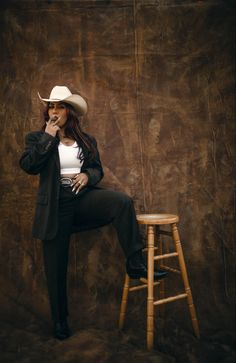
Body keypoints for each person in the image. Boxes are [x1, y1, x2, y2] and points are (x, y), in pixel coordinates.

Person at [19, 85, 167, 340]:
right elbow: (29, 166)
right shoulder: (37, 138)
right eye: (51, 106)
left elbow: (97, 169)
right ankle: (60, 322)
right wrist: (48, 136)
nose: (54, 111)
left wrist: (88, 175)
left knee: (121, 202)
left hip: (82, 198)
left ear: (70, 111)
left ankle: (135, 263)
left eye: (60, 106)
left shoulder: (86, 140)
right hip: (56, 206)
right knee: (56, 267)